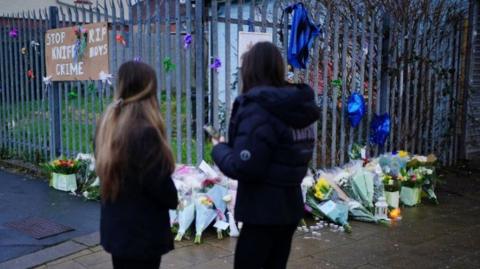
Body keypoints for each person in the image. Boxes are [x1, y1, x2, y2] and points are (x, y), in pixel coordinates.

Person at [211, 42, 320, 269]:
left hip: (262, 212)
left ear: (250, 71)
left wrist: (219, 149)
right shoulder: (296, 106)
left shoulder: (259, 108)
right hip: (289, 206)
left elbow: (246, 166)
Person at [95, 61, 178, 269]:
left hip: (117, 232)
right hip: (142, 237)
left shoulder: (107, 124)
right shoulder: (145, 132)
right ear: (149, 90)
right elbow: (161, 188)